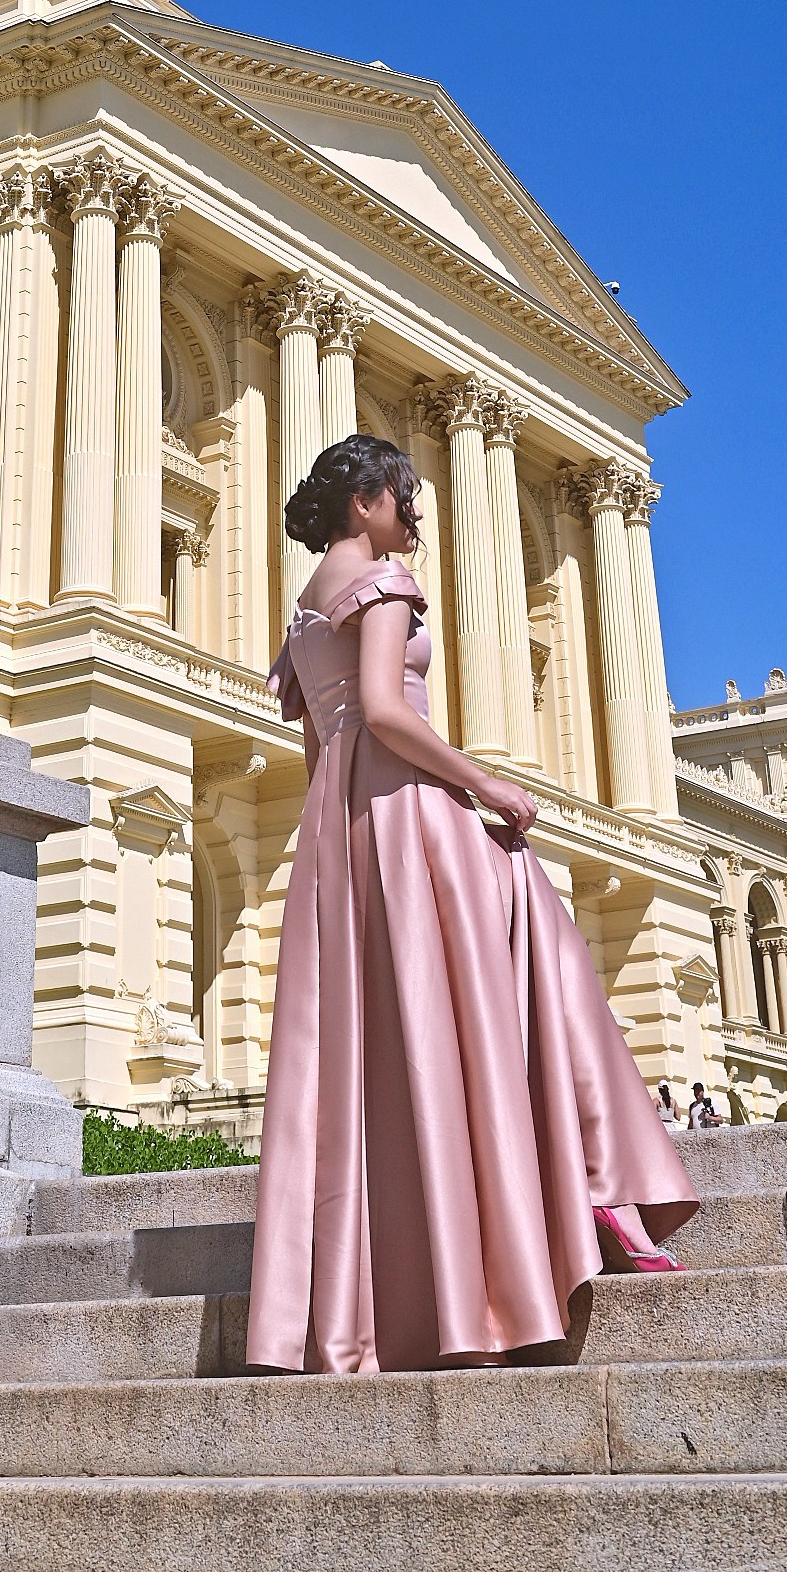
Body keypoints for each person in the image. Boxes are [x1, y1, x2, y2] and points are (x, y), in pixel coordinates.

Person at [246, 434, 698, 1376]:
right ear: (366, 497)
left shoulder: (303, 613)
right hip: (410, 806)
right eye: (405, 496)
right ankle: (596, 1188)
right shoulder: (382, 580)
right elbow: (384, 707)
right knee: (531, 945)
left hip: (344, 822)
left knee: (388, 1041)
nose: (413, 516)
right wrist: (486, 786)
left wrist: (333, 845)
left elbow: (321, 747)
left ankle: (418, 1273)